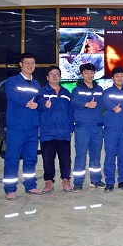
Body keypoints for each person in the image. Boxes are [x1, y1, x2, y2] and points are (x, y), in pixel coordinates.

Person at [2, 53, 41, 200]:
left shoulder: (36, 84)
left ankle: (30, 185)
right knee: (12, 159)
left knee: (31, 159)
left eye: (32, 63)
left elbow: (38, 103)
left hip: (32, 128)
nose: (30, 66)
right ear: (21, 64)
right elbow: (13, 97)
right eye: (27, 63)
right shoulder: (12, 82)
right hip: (17, 128)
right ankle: (10, 189)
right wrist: (27, 103)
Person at [37, 65, 74, 193]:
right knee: (48, 160)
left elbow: (70, 112)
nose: (54, 76)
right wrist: (44, 105)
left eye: (57, 74)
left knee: (65, 159)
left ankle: (66, 180)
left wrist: (71, 128)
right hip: (47, 132)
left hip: (63, 132)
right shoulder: (42, 92)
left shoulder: (66, 93)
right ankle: (48, 182)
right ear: (47, 77)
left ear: (60, 77)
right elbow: (37, 107)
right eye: (52, 74)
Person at [71, 63, 105, 192]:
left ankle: (96, 180)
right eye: (86, 73)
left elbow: (105, 105)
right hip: (82, 128)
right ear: (81, 74)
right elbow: (73, 102)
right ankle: (78, 182)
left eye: (91, 73)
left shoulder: (99, 89)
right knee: (80, 156)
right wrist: (86, 104)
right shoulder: (77, 90)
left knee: (96, 155)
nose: (89, 75)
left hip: (97, 127)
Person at [102, 67, 123, 192]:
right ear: (112, 78)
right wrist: (113, 107)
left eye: (122, 76)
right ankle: (109, 182)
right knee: (110, 157)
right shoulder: (107, 92)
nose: (120, 78)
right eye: (117, 76)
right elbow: (105, 102)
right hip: (111, 129)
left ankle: (122, 181)